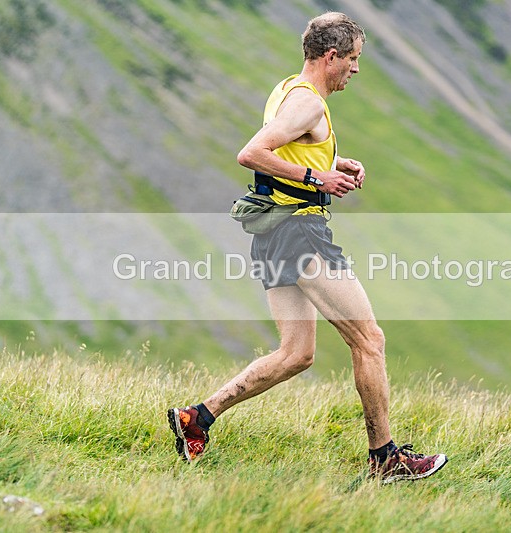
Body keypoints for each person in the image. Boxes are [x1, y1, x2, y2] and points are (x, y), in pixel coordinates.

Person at [168, 12, 447, 484]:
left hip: (273, 232)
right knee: (370, 340)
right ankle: (385, 459)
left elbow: (289, 146)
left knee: (296, 354)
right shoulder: (310, 105)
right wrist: (318, 178)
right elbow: (252, 153)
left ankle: (198, 417)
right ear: (331, 56)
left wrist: (334, 161)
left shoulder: (288, 89)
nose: (356, 69)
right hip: (300, 233)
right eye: (353, 59)